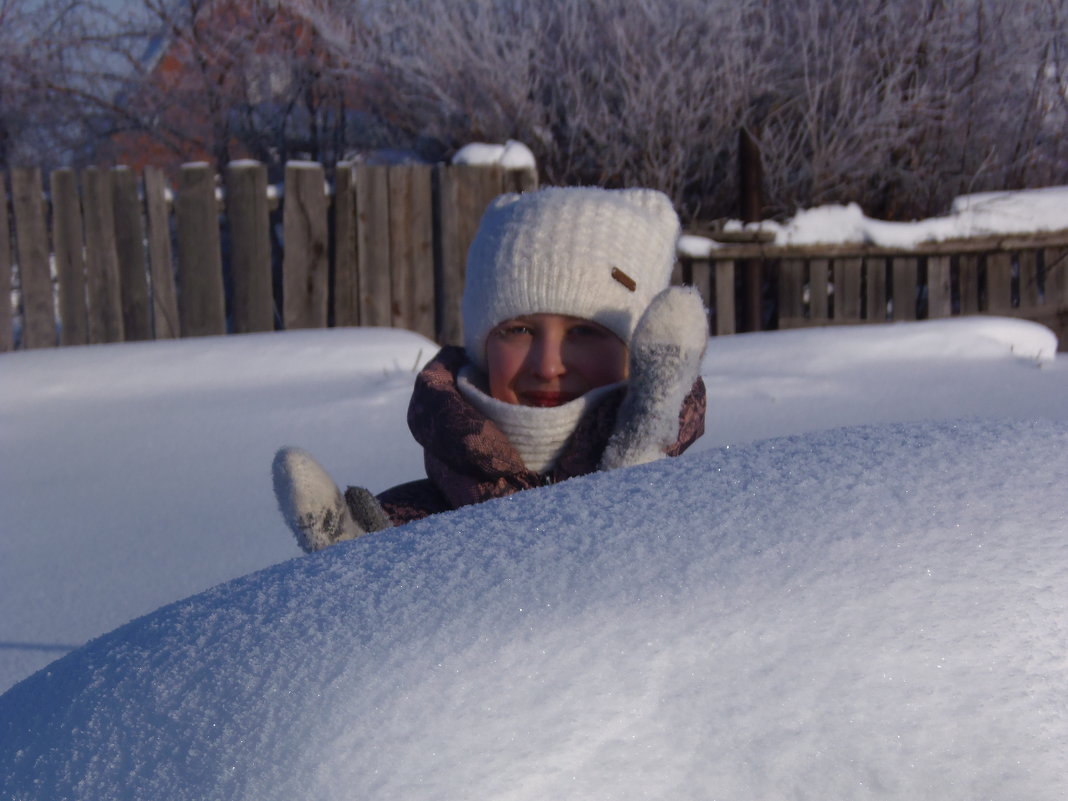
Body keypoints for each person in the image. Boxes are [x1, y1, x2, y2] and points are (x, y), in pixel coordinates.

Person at [272, 186, 708, 553]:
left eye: (584, 332)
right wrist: (360, 579)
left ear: (641, 351)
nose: (547, 365)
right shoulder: (403, 529)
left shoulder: (702, 511)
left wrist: (636, 486)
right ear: (483, 346)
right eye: (519, 329)